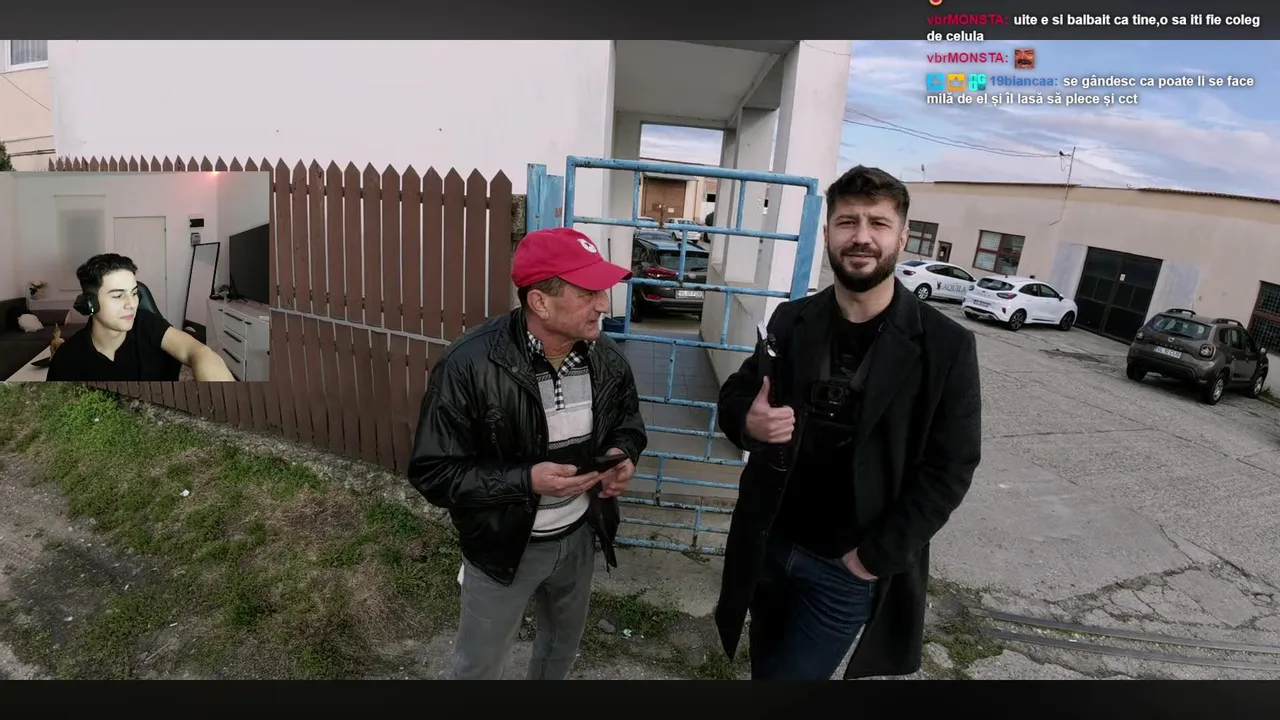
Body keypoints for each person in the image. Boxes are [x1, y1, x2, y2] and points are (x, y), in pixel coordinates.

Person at [713, 165, 983, 680]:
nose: (862, 237)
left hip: (846, 569)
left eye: (878, 223)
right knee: (765, 668)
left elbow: (952, 467)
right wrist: (749, 419)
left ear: (902, 236)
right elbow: (737, 394)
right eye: (847, 222)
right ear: (828, 233)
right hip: (771, 546)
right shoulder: (792, 320)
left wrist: (872, 559)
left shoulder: (945, 346)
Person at [407, 226, 648, 680]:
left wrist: (622, 452)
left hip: (579, 537)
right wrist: (526, 480)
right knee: (478, 669)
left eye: (603, 290)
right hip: (503, 550)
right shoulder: (469, 363)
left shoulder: (606, 355)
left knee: (559, 653)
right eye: (588, 292)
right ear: (540, 302)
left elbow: (628, 421)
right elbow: (433, 472)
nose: (604, 304)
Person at [46, 253, 236, 382]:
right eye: (118, 295)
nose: (131, 303)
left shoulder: (147, 324)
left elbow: (197, 351)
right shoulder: (67, 359)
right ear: (90, 304)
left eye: (134, 293)